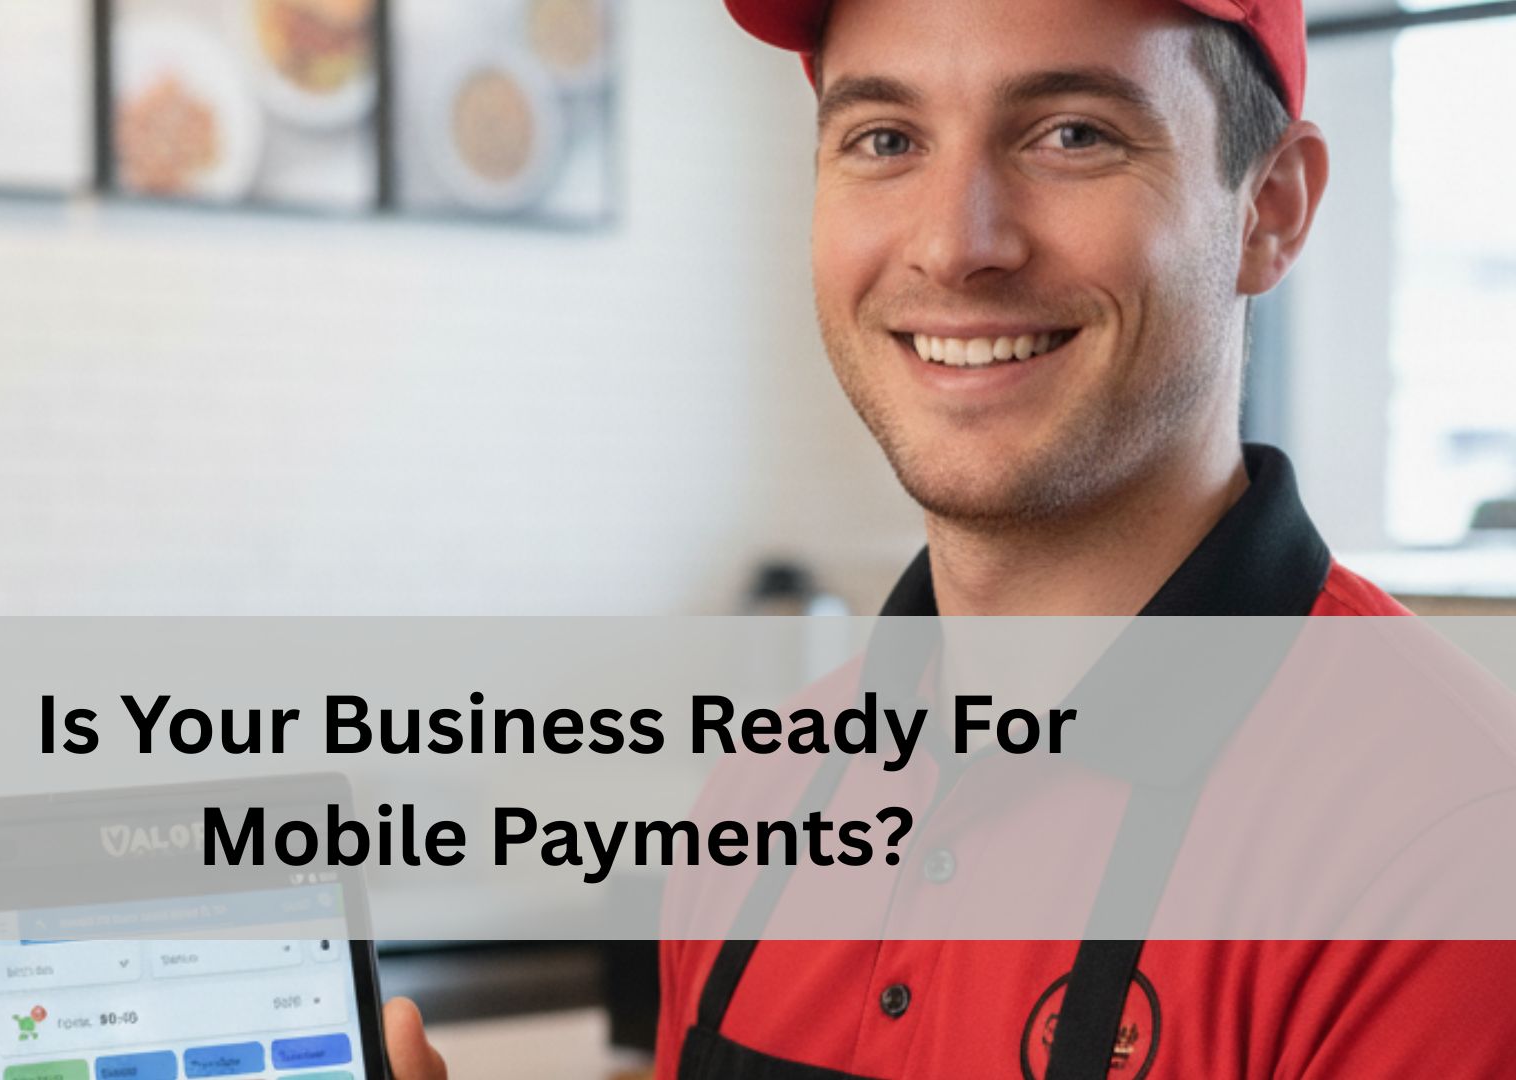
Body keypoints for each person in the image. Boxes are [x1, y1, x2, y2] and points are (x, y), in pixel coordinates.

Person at [376, 0, 1516, 1076]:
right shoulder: (761, 798)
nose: (955, 243)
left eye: (1072, 133)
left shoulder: (1444, 857)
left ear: (1270, 208)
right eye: (883, 139)